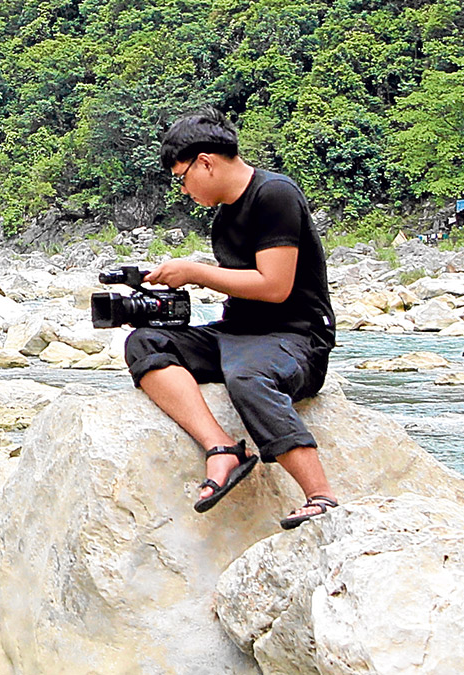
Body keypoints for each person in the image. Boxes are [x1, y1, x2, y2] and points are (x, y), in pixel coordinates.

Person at [123, 108, 339, 530]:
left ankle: (321, 495)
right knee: (145, 342)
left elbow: (275, 286)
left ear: (205, 161)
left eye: (181, 177)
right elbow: (242, 285)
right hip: (239, 330)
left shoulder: (275, 194)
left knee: (247, 375)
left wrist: (196, 272)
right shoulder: (224, 216)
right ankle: (222, 448)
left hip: (297, 337)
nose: (182, 189)